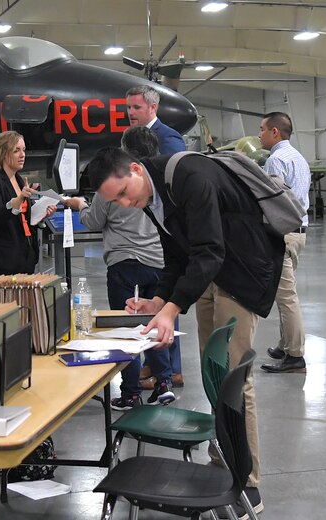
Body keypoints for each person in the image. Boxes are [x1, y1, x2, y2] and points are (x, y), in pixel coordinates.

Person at [87, 146, 285, 518]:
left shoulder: (191, 177)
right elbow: (177, 254)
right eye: (117, 201)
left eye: (124, 193)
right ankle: (221, 463)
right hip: (214, 276)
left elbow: (210, 250)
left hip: (242, 275)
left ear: (135, 169)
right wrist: (158, 301)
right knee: (215, 377)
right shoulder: (152, 193)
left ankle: (249, 484)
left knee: (233, 381)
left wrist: (172, 309)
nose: (126, 204)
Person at [64, 126, 174, 410]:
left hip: (125, 263)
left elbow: (94, 221)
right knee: (152, 323)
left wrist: (80, 205)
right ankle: (163, 382)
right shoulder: (156, 184)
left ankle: (130, 392)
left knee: (125, 328)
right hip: (158, 261)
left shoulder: (112, 184)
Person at [126, 85, 186, 388]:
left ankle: (172, 368)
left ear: (153, 108)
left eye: (136, 108)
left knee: (168, 301)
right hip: (154, 231)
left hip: (164, 232)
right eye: (129, 108)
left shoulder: (167, 138)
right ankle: (155, 363)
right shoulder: (139, 139)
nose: (131, 113)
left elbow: (176, 180)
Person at [259, 112, 310, 374]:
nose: (259, 135)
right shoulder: (298, 158)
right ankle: (285, 343)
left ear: (275, 132)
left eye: (262, 130)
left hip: (283, 234)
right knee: (284, 294)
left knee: (287, 297)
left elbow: (271, 203)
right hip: (299, 232)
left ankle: (295, 355)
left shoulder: (275, 161)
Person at [0, 131, 56, 276]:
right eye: (16, 151)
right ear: (3, 154)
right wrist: (18, 199)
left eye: (24, 150)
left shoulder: (20, 180)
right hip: (3, 258)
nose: (22, 155)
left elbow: (23, 219)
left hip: (25, 255)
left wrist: (41, 215)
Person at [126, 85, 186, 155]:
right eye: (129, 107)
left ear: (152, 107)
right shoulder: (131, 137)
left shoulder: (168, 138)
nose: (130, 112)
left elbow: (175, 165)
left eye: (137, 107)